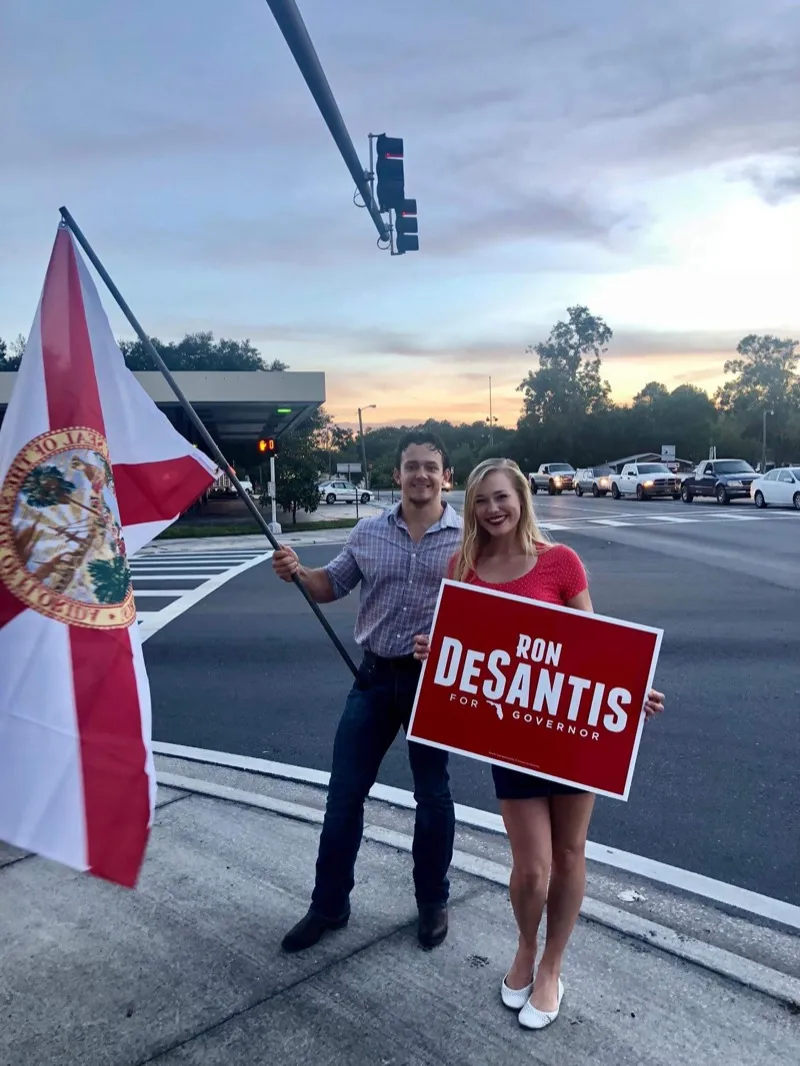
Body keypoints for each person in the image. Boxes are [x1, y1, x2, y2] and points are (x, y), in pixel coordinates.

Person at [413, 457, 664, 1030]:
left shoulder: (560, 563)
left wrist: (632, 690)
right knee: (531, 868)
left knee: (570, 854)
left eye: (502, 497)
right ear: (472, 508)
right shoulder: (464, 566)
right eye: (481, 501)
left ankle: (551, 966)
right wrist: (436, 650)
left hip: (571, 737)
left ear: (521, 498)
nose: (494, 509)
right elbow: (460, 643)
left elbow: (595, 645)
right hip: (514, 739)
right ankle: (526, 944)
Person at [272, 431, 462, 953]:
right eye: (410, 467)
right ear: (396, 475)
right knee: (344, 797)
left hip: (434, 684)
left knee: (434, 798)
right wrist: (298, 572)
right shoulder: (367, 531)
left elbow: (500, 607)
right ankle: (329, 905)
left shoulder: (467, 540)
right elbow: (330, 584)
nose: (420, 475)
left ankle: (432, 902)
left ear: (445, 476)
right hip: (374, 677)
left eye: (430, 467)